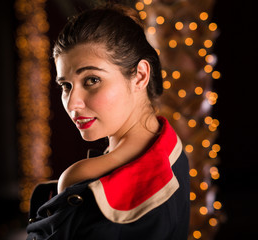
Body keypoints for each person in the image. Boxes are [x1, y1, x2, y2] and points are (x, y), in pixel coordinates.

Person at [26, 4, 190, 240]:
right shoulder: (166, 145)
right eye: (66, 86)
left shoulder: (89, 183)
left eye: (92, 80)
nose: (72, 104)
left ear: (141, 75)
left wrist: (75, 179)